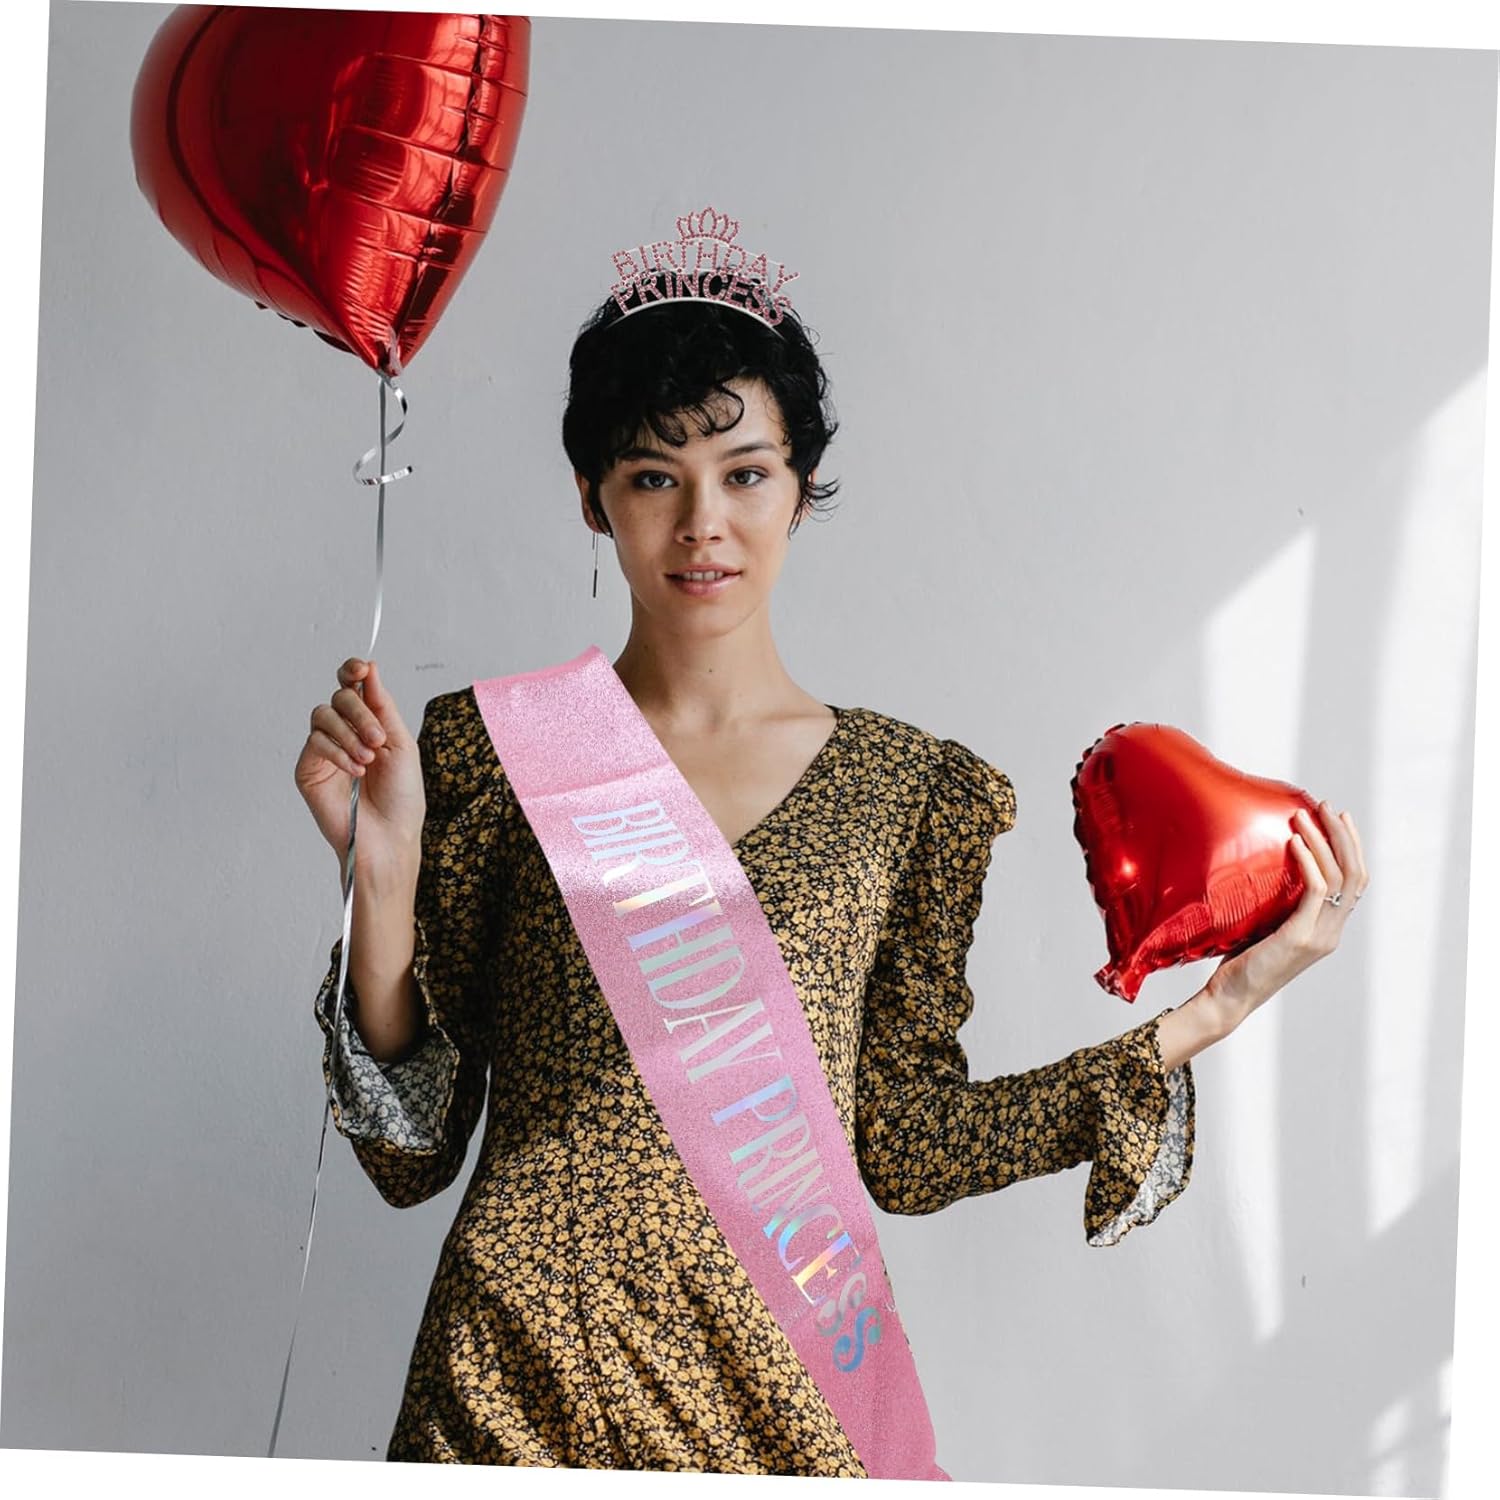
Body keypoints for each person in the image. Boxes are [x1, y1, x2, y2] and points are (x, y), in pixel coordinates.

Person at [292, 267, 1368, 1475]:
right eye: (654, 476)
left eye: (746, 474)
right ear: (593, 499)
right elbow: (410, 1157)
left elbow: (905, 1145)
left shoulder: (910, 793)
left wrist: (1215, 1011)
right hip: (516, 1385)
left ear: (801, 491)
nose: (703, 523)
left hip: (779, 1399)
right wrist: (383, 878)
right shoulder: (491, 753)